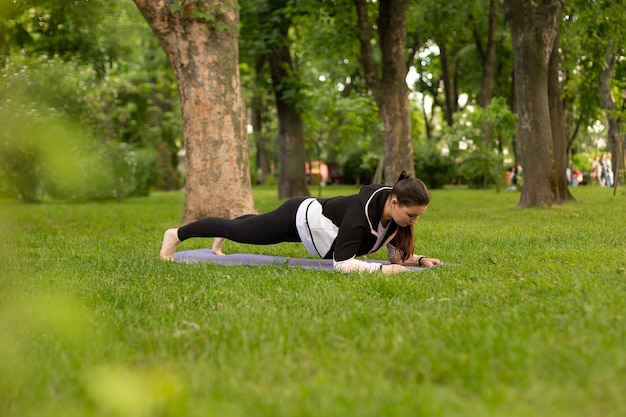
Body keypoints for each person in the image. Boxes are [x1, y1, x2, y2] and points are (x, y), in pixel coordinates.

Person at [160, 171, 442, 274]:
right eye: (412, 215)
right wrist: (381, 271)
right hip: (299, 218)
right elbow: (342, 263)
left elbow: (396, 256)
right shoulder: (361, 215)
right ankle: (176, 234)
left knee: (250, 227)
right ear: (394, 203)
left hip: (316, 230)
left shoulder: (394, 220)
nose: (413, 222)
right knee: (239, 231)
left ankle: (227, 230)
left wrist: (418, 260)